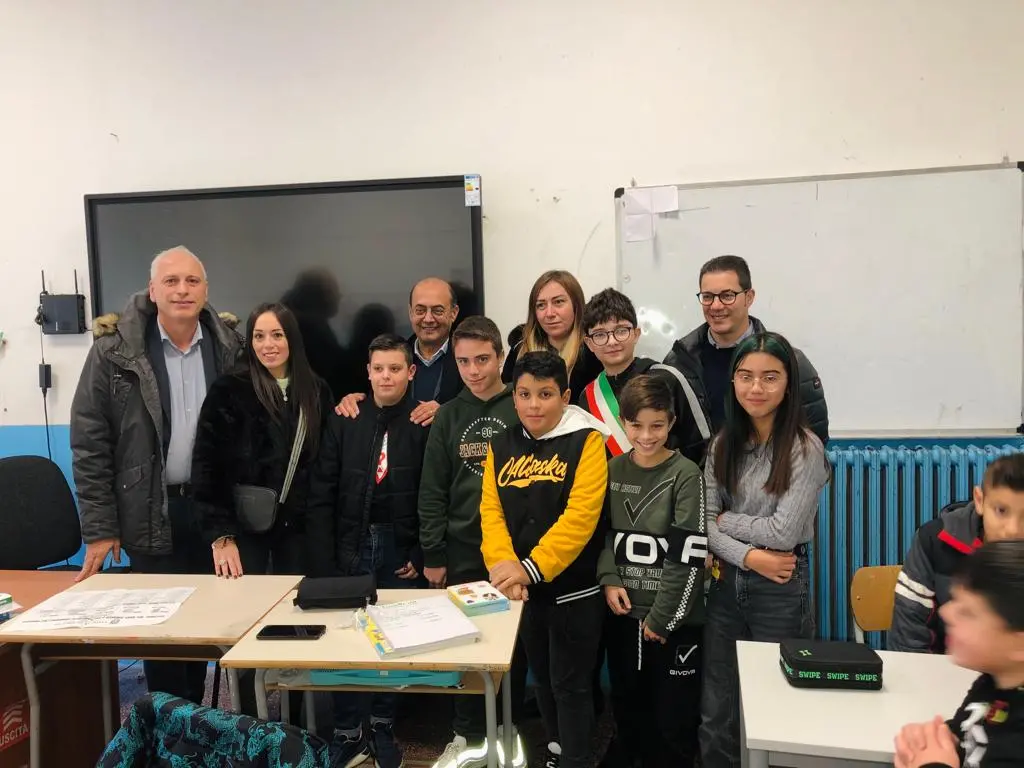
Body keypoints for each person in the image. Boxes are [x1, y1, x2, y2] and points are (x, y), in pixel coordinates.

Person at [70, 246, 243, 704]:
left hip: (213, 512)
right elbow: (90, 444)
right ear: (152, 290)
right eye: (171, 281)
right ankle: (167, 727)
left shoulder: (230, 347)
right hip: (148, 510)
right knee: (163, 635)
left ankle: (200, 723)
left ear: (205, 290)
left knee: (210, 626)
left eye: (192, 281)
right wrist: (101, 528)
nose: (182, 290)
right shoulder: (113, 352)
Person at [699, 332, 830, 768]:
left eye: (770, 378)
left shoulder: (804, 449)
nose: (756, 388)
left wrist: (727, 522)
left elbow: (783, 533)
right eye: (746, 376)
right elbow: (703, 525)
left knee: (781, 701)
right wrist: (751, 557)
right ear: (733, 382)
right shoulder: (722, 444)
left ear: (788, 385)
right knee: (718, 704)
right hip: (727, 582)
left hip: (781, 587)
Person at [481, 351, 610, 768]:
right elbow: (491, 513)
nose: (533, 405)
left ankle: (576, 758)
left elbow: (581, 518)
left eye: (545, 394)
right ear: (513, 397)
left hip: (575, 590)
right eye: (524, 394)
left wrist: (527, 569)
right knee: (542, 680)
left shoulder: (588, 440)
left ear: (565, 396)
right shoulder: (501, 444)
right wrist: (506, 570)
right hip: (525, 593)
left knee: (571, 685)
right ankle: (556, 749)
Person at [307, 333, 430, 768]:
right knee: (346, 635)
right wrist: (324, 559)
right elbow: (322, 490)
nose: (386, 377)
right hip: (350, 544)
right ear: (368, 372)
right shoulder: (346, 418)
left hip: (399, 546)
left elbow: (433, 494)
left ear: (410, 372)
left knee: (394, 637)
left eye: (395, 369)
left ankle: (382, 724)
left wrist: (420, 552)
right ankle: (346, 730)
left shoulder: (422, 423)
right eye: (378, 369)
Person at [418, 316, 526, 768]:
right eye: (463, 362)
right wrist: (433, 552)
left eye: (482, 359)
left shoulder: (521, 404)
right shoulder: (448, 415)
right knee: (465, 645)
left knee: (514, 647)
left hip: (515, 553)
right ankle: (467, 735)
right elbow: (432, 489)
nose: (474, 370)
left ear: (500, 357)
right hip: (462, 548)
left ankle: (507, 729)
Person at [597, 375, 706, 767]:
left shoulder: (686, 474)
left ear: (671, 422)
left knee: (673, 720)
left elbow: (689, 556)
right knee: (628, 707)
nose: (646, 436)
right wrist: (609, 579)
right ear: (623, 423)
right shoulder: (612, 469)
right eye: (636, 425)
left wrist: (663, 618)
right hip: (624, 615)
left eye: (657, 425)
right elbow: (602, 535)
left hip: (674, 623)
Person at [191, 302, 332, 578]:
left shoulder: (316, 391)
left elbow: (326, 464)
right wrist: (221, 535)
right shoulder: (229, 390)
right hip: (244, 532)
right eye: (259, 336)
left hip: (300, 536)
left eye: (277, 335)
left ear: (292, 338)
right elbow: (207, 468)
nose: (268, 345)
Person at [663, 255, 829, 446]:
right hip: (702, 466)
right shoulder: (679, 362)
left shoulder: (790, 361)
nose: (716, 306)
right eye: (707, 297)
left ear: (749, 297)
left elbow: (813, 439)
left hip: (775, 465)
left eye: (727, 296)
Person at [893, 540, 1024, 768]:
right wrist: (940, 739)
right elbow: (968, 732)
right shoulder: (992, 684)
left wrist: (933, 765)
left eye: (967, 612)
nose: (945, 612)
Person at [890, 454, 1024, 654]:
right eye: (1001, 510)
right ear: (979, 500)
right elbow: (908, 638)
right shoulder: (933, 542)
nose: (1013, 530)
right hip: (944, 667)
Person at [580, 287, 711, 465]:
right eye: (600, 334)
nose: (612, 341)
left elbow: (700, 445)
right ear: (589, 343)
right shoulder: (588, 397)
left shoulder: (667, 378)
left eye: (621, 331)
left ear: (636, 334)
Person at [336, 277, 461, 427]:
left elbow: (482, 411)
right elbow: (374, 402)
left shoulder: (470, 360)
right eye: (420, 310)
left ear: (453, 313)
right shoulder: (392, 356)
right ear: (410, 312)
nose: (428, 319)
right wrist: (355, 402)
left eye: (437, 311)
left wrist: (448, 414)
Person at [502, 270, 602, 402]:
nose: (549, 313)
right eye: (541, 305)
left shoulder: (594, 351)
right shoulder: (519, 349)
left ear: (576, 305)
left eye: (558, 302)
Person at [280, 268, 351, 400]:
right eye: (333, 292)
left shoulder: (289, 323)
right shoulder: (310, 331)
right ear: (319, 295)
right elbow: (334, 373)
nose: (339, 296)